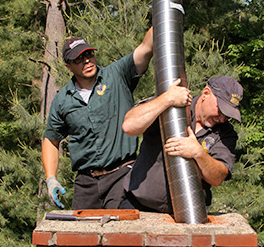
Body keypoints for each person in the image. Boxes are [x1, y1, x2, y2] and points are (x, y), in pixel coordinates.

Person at [42, 28, 153, 210]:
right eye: (78, 58)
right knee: (81, 237)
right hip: (86, 184)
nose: (86, 61)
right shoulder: (63, 100)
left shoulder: (117, 75)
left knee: (119, 233)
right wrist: (51, 179)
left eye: (89, 54)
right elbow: (50, 140)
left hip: (122, 175)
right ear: (68, 66)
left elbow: (146, 48)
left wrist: (165, 9)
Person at [120, 76, 243, 213]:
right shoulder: (173, 102)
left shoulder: (226, 133)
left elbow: (218, 178)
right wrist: (167, 99)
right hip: (137, 205)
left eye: (227, 115)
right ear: (206, 93)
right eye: (220, 110)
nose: (222, 118)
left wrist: (198, 153)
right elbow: (129, 126)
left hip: (188, 214)